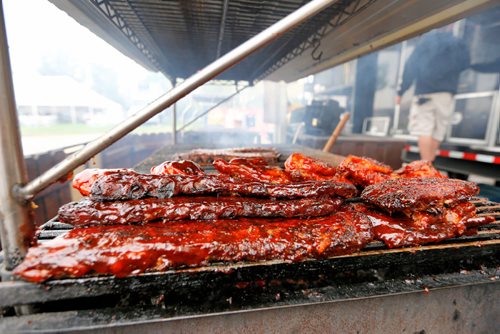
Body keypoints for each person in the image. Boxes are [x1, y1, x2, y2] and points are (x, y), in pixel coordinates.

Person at [396, 27, 470, 162]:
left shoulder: (425, 41)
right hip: (446, 93)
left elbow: (410, 66)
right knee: (438, 129)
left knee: (424, 128)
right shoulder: (458, 42)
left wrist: (401, 91)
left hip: (425, 92)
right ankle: (429, 165)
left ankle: (426, 164)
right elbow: (465, 64)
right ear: (451, 26)